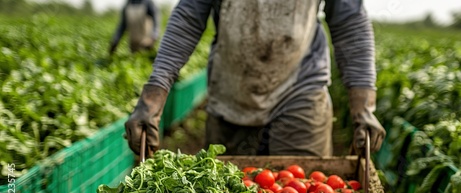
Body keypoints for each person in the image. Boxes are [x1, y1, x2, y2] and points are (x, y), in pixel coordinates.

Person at [125, 0, 386, 157]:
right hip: (231, 94)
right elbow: (188, 19)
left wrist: (363, 108)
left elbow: (350, 23)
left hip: (301, 91)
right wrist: (153, 98)